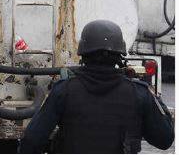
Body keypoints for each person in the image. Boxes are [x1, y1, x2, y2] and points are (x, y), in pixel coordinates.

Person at [19, 20, 174, 153]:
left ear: (83, 54)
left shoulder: (63, 90)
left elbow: (31, 142)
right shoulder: (139, 93)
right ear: (119, 55)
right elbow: (164, 139)